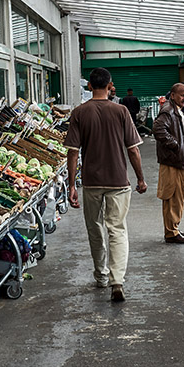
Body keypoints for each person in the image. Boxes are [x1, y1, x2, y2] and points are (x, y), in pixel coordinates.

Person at [66, 68, 148, 303]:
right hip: (118, 181)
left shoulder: (79, 112)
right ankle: (117, 281)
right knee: (117, 230)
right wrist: (140, 178)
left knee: (95, 229)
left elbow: (73, 153)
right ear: (110, 85)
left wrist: (72, 185)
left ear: (89, 86)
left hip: (91, 182)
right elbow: (133, 149)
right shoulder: (121, 111)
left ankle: (101, 276)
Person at [153, 83, 184, 244]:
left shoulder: (175, 109)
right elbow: (158, 129)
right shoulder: (168, 110)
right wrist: (175, 145)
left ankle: (173, 228)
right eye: (182, 95)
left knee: (179, 195)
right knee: (173, 196)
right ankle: (171, 233)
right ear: (173, 95)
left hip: (181, 159)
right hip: (174, 161)